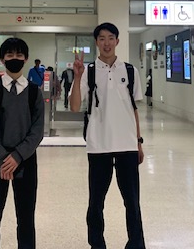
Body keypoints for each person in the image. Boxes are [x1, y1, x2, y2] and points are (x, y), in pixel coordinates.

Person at [69, 22, 146, 249]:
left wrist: (138, 142)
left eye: (111, 38)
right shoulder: (89, 71)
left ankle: (136, 244)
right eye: (102, 38)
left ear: (117, 41)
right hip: (98, 146)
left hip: (127, 146)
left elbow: (133, 109)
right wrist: (77, 77)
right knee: (96, 202)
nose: (107, 43)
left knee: (132, 202)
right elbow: (75, 107)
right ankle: (97, 244)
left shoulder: (130, 71)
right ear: (96, 42)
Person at [0, 37, 44, 249]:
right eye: (9, 55)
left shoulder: (34, 92)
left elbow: (37, 131)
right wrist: (1, 159)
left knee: (26, 218)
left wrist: (17, 156)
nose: (14, 58)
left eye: (18, 55)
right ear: (2, 59)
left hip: (25, 160)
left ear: (25, 58)